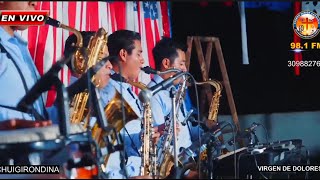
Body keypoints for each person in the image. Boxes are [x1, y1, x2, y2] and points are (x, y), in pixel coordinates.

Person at [100, 29, 159, 179]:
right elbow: (105, 148)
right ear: (123, 55)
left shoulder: (129, 89)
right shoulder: (109, 92)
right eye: (138, 54)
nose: (142, 60)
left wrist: (145, 136)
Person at [149, 37, 204, 178]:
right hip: (173, 170)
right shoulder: (153, 95)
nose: (185, 69)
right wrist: (186, 173)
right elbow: (161, 143)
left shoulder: (175, 91)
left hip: (187, 162)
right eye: (181, 64)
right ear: (166, 63)